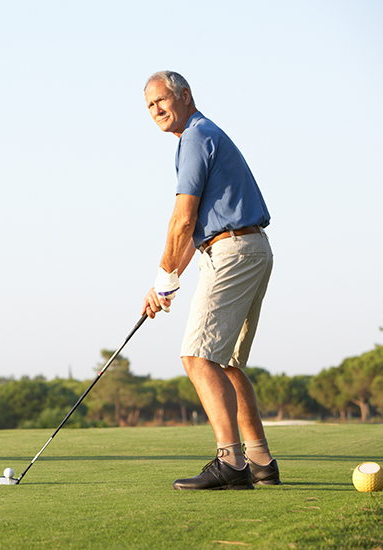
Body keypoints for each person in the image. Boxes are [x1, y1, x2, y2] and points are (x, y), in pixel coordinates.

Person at [141, 71, 280, 490]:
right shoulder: (201, 135)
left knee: (197, 357)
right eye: (149, 106)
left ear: (185, 95)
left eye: (162, 100)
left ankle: (231, 462)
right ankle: (259, 461)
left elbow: (182, 219)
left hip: (233, 249)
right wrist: (166, 283)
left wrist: (164, 276)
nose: (156, 110)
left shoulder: (196, 137)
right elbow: (195, 229)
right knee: (225, 363)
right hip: (249, 247)